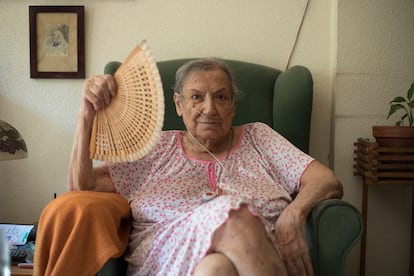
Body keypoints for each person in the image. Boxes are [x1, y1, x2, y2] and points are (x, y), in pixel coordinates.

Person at [36, 58, 343, 276]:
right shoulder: (156, 149)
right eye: (197, 97)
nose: (210, 108)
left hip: (252, 260)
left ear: (233, 105)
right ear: (179, 105)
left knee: (215, 269)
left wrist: (294, 212)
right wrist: (86, 116)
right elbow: (82, 185)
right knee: (234, 215)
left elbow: (326, 181)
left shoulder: (260, 138)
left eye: (221, 97)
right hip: (165, 262)